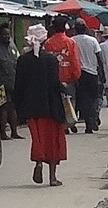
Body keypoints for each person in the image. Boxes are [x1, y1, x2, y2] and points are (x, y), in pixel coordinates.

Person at [11, 24, 68, 186]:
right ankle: (52, 177)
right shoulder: (51, 60)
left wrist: (19, 108)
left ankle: (38, 162)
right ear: (44, 41)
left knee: (38, 139)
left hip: (32, 109)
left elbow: (18, 86)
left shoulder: (22, 60)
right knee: (53, 142)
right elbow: (55, 84)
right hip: (51, 107)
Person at [72, 21, 103, 136]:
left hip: (78, 73)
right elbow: (99, 58)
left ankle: (87, 122)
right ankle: (93, 118)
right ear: (85, 29)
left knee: (82, 100)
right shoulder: (92, 40)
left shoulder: (72, 40)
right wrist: (102, 73)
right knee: (94, 98)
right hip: (92, 73)